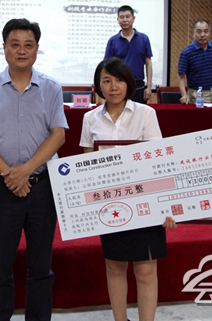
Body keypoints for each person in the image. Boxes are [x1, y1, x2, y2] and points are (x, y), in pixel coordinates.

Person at [0, 18, 68, 321]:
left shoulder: (51, 88)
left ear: (37, 49)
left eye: (28, 45)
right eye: (15, 44)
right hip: (2, 187)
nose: (21, 50)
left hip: (42, 187)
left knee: (41, 266)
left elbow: (58, 135)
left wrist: (26, 170)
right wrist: (10, 175)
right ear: (4, 48)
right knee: (1, 266)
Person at [79, 57, 176, 321]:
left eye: (120, 80)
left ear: (129, 83)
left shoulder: (146, 114)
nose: (113, 87)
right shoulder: (90, 118)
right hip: (110, 202)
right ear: (98, 86)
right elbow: (87, 165)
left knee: (146, 270)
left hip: (145, 199)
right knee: (114, 266)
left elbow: (158, 161)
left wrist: (166, 205)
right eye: (106, 81)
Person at [104, 5, 153, 104]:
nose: (125, 20)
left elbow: (148, 63)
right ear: (118, 20)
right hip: (119, 85)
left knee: (138, 113)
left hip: (138, 85)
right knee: (120, 113)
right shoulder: (113, 41)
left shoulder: (144, 38)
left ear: (133, 18)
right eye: (121, 17)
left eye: (127, 16)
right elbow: (107, 66)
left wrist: (148, 86)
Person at [178, 19, 212, 104]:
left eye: (206, 31)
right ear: (193, 33)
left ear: (210, 33)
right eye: (199, 32)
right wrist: (184, 95)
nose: (202, 35)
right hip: (197, 95)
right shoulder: (186, 53)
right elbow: (181, 77)